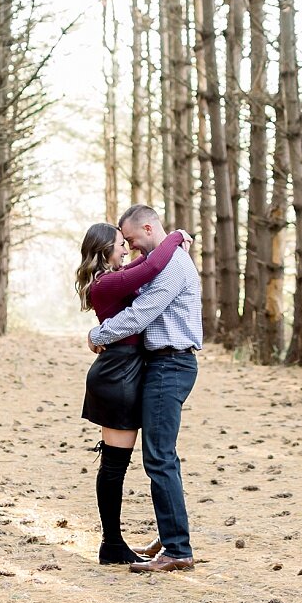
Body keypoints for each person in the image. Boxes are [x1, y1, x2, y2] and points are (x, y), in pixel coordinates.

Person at [87, 204, 203, 573]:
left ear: (149, 228)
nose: (132, 249)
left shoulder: (173, 264)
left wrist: (97, 335)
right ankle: (171, 537)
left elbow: (142, 313)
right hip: (159, 364)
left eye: (133, 240)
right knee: (160, 455)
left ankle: (177, 549)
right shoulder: (164, 258)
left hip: (171, 364)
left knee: (158, 456)